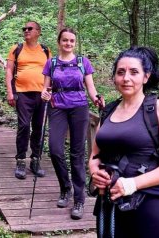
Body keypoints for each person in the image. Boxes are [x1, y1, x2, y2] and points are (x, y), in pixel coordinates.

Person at [89, 46, 159, 237]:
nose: (126, 78)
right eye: (121, 72)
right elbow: (95, 155)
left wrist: (131, 184)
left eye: (134, 72)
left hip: (151, 202)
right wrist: (96, 173)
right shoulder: (108, 111)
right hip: (112, 202)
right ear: (115, 77)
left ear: (146, 77)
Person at [41, 28, 104, 220]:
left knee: (77, 154)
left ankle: (79, 199)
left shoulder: (82, 62)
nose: (68, 43)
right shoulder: (51, 63)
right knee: (55, 149)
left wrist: (96, 99)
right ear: (59, 42)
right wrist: (44, 94)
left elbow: (91, 88)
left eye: (72, 41)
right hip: (58, 107)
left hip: (79, 108)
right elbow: (45, 88)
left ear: (75, 43)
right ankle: (65, 188)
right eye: (65, 40)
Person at [5, 21, 51, 180]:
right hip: (22, 93)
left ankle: (36, 160)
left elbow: (50, 72)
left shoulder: (45, 50)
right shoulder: (16, 49)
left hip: (42, 94)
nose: (26, 31)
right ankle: (21, 160)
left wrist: (51, 91)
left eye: (29, 28)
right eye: (24, 28)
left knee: (38, 127)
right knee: (24, 126)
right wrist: (10, 92)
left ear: (38, 31)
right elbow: (9, 70)